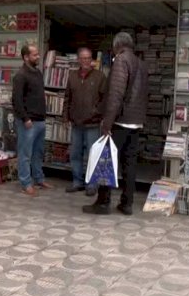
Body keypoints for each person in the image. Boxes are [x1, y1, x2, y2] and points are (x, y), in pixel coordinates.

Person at [83, 32, 148, 216]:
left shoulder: (121, 60)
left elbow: (116, 95)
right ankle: (127, 204)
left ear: (117, 46)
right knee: (130, 164)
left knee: (106, 162)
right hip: (136, 122)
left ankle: (103, 203)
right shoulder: (141, 63)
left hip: (120, 121)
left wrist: (107, 123)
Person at [63, 47, 107, 196]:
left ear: (92, 59)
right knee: (75, 154)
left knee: (92, 154)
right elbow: (67, 98)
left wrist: (96, 113)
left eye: (88, 58)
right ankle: (77, 182)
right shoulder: (72, 76)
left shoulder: (100, 76)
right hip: (76, 123)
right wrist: (65, 117)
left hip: (92, 124)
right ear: (78, 60)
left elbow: (104, 100)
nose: (86, 61)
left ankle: (92, 184)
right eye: (83, 58)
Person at [12, 44, 51, 197]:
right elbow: (16, 100)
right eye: (35, 55)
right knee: (25, 153)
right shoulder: (21, 75)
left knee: (38, 153)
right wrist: (25, 118)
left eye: (38, 54)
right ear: (26, 57)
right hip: (28, 122)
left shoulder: (38, 73)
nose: (38, 57)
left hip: (40, 120)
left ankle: (39, 179)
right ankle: (26, 183)